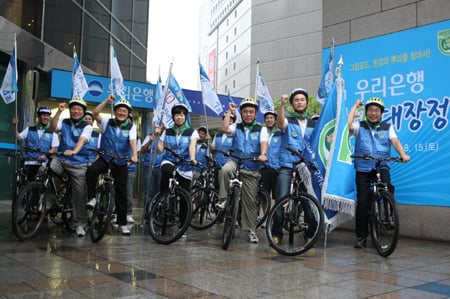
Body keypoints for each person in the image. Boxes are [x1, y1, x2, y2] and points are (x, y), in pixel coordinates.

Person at [348, 97, 410, 248]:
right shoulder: (359, 126)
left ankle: (389, 215)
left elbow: (395, 141)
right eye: (370, 110)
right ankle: (362, 236)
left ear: (381, 113)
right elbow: (348, 126)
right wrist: (355, 107)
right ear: (366, 112)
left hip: (381, 165)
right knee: (363, 201)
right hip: (363, 167)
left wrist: (403, 154)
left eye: (376, 110)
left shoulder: (387, 127)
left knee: (387, 187)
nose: (373, 113)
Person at [216, 98, 268, 243]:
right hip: (236, 160)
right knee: (225, 170)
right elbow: (225, 128)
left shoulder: (261, 129)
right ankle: (224, 200)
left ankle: (251, 230)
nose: (248, 114)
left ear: (256, 114)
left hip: (252, 164)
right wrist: (230, 112)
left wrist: (263, 154)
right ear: (241, 113)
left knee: (250, 201)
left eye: (251, 112)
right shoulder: (236, 126)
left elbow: (264, 142)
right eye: (245, 112)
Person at [86, 95, 138, 235]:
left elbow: (132, 141)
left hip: (120, 160)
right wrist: (106, 101)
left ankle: (122, 224)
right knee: (91, 171)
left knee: (122, 193)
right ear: (115, 111)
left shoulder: (131, 126)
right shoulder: (107, 122)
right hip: (105, 157)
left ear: (128, 113)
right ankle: (91, 198)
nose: (122, 113)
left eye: (124, 111)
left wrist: (134, 155)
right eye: (119, 110)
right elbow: (94, 113)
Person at [272, 88, 316, 244]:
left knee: (310, 204)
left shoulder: (314, 124)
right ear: (292, 103)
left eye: (302, 100)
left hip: (306, 168)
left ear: (306, 103)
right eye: (296, 100)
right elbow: (279, 123)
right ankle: (276, 233)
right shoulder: (288, 121)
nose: (299, 102)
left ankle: (311, 232)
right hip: (287, 165)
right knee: (281, 200)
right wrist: (282, 106)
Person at [49, 98, 93, 237]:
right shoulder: (65, 122)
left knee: (79, 193)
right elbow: (53, 128)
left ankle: (80, 223)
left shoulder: (87, 126)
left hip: (78, 163)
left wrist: (74, 151)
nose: (76, 111)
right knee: (47, 170)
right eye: (73, 108)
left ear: (83, 112)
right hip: (61, 158)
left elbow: (82, 140)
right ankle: (47, 201)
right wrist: (58, 113)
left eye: (79, 109)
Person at [154, 103, 198, 233]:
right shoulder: (167, 131)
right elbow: (160, 150)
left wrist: (192, 158)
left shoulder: (192, 132)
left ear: (185, 116)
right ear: (173, 117)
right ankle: (163, 196)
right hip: (169, 161)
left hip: (185, 165)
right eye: (177, 114)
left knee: (185, 198)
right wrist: (157, 137)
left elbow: (192, 146)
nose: (179, 117)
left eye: (182, 114)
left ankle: (182, 227)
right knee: (166, 170)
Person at [13, 106, 59, 181]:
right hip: (29, 162)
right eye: (43, 115)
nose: (46, 117)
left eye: (47, 116)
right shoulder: (29, 129)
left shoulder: (52, 133)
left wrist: (45, 156)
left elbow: (54, 148)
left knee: (40, 186)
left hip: (43, 164)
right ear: (38, 116)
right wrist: (15, 126)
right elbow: (18, 137)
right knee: (28, 184)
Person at [260, 110, 281, 226]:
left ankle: (276, 218)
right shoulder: (262, 132)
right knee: (264, 195)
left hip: (277, 168)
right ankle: (265, 218)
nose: (269, 120)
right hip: (264, 168)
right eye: (267, 118)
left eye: (271, 118)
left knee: (277, 196)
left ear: (275, 120)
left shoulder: (280, 133)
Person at [210, 113, 236, 190]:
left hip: (229, 167)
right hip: (218, 165)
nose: (227, 122)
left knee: (228, 189)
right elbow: (212, 149)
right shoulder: (217, 135)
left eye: (230, 121)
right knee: (217, 188)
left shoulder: (235, 135)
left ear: (233, 123)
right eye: (225, 120)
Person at [141, 131, 165, 215]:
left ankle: (156, 214)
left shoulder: (168, 136)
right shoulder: (149, 136)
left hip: (161, 168)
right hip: (149, 166)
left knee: (158, 192)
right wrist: (150, 141)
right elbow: (142, 150)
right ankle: (147, 214)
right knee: (148, 192)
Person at [126, 122, 141, 223]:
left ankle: (129, 213)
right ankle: (115, 212)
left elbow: (137, 153)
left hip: (130, 169)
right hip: (117, 167)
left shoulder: (137, 139)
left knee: (129, 193)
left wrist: (130, 162)